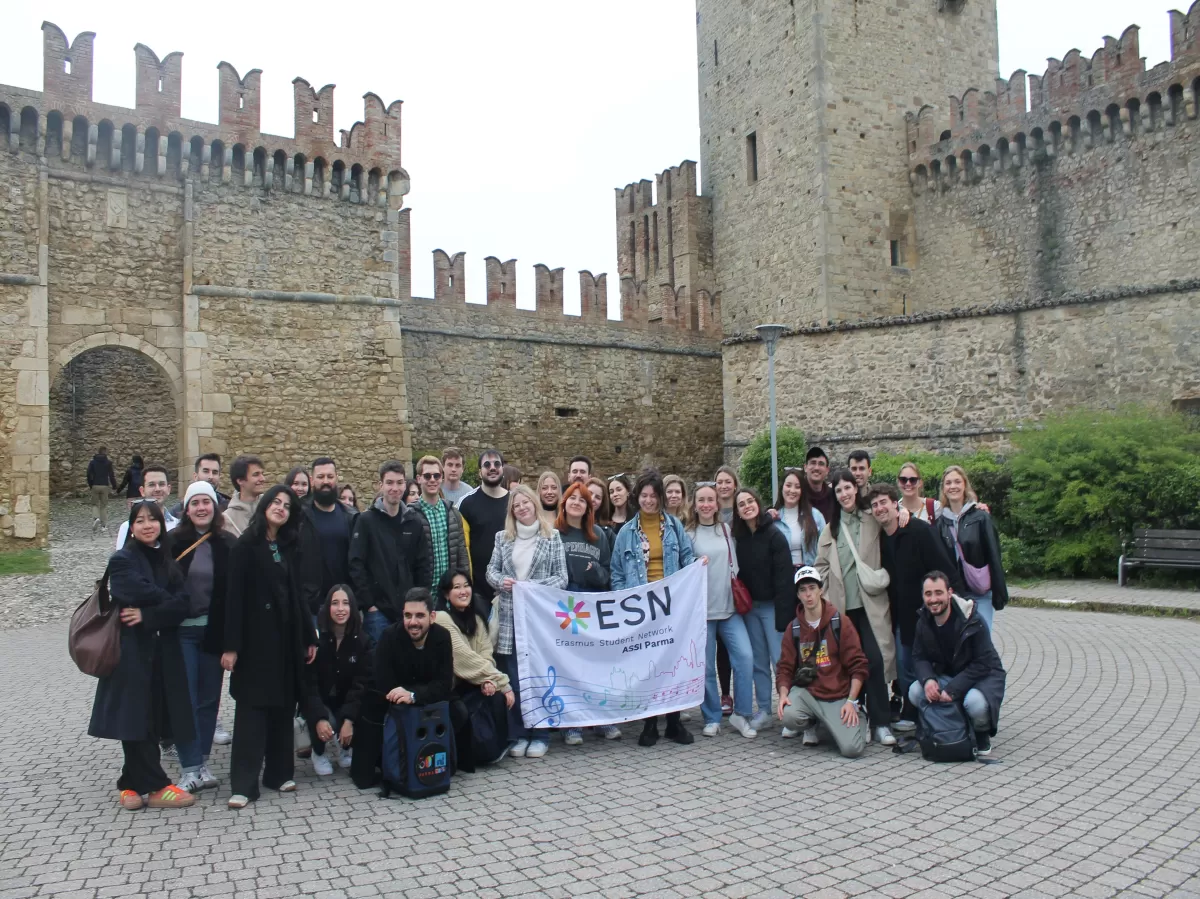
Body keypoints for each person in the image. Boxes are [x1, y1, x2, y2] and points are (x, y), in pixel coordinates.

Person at [222, 485, 331, 809]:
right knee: (252, 713)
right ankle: (244, 784)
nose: (281, 508)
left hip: (286, 641)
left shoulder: (286, 545)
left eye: (287, 505)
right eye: (276, 502)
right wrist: (231, 647)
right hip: (255, 643)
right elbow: (233, 599)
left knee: (283, 707)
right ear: (265, 505)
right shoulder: (245, 546)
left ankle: (278, 773)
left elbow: (296, 596)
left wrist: (308, 638)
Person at [88, 500, 196, 810]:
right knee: (137, 716)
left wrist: (150, 615)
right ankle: (157, 786)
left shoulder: (167, 559)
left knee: (152, 716)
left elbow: (184, 605)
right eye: (140, 521)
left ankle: (128, 784)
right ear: (131, 527)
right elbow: (131, 591)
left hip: (162, 651)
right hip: (131, 653)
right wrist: (166, 602)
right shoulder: (123, 559)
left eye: (153, 520)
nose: (148, 525)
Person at [868, 483, 964, 733]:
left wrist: (949, 603)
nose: (879, 508)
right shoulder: (879, 539)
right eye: (875, 504)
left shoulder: (919, 530)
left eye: (883, 503)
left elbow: (943, 567)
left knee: (924, 664)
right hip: (901, 615)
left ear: (894, 504)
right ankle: (915, 712)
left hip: (929, 612)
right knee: (904, 664)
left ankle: (933, 714)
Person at [611, 470, 697, 747]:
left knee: (672, 664)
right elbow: (616, 572)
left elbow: (686, 558)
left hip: (671, 604)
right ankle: (649, 723)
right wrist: (625, 600)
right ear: (638, 498)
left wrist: (697, 569)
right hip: (642, 608)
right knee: (647, 666)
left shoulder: (674, 527)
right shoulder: (626, 532)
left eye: (653, 496)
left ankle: (673, 723)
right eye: (644, 496)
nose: (649, 501)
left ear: (661, 498)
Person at [815, 468, 897, 746]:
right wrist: (826, 593)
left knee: (874, 660)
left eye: (848, 488)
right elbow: (820, 566)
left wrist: (904, 513)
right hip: (842, 608)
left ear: (856, 489)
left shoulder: (870, 519)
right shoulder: (831, 529)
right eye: (838, 490)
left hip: (869, 605)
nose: (844, 494)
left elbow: (893, 525)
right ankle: (849, 717)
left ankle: (882, 722)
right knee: (848, 664)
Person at [486, 485, 568, 758]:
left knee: (540, 678)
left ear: (534, 504)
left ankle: (541, 734)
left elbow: (561, 578)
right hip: (510, 618)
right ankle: (518, 734)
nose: (521, 508)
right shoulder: (502, 538)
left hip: (539, 619)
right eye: (516, 505)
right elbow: (490, 571)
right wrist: (501, 582)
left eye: (525, 503)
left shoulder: (552, 536)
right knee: (514, 679)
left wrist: (532, 586)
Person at [170, 482, 235, 794]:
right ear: (186, 509)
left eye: (206, 502)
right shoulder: (172, 542)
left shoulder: (226, 543)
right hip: (182, 632)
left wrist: (232, 642)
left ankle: (203, 763)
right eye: (194, 503)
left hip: (213, 631)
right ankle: (189, 767)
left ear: (214, 507)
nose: (201, 508)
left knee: (209, 700)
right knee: (187, 700)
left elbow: (236, 593)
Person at [776, 566, 870, 758]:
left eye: (812, 588)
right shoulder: (793, 628)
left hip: (838, 695)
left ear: (821, 590)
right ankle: (812, 724)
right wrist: (783, 694)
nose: (808, 594)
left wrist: (851, 700)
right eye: (802, 590)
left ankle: (861, 715)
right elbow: (784, 667)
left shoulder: (840, 622)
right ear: (798, 595)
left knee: (852, 750)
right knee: (788, 715)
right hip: (809, 693)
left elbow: (858, 665)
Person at [909, 572, 1006, 754]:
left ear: (949, 592)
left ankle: (980, 733)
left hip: (982, 678)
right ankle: (952, 726)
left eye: (939, 593)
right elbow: (918, 657)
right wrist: (928, 679)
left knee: (975, 704)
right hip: (949, 676)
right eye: (928, 594)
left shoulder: (973, 620)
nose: (933, 599)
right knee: (915, 691)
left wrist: (953, 689)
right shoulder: (923, 620)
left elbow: (983, 664)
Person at [687, 483, 755, 739]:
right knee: (705, 668)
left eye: (710, 500)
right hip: (702, 612)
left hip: (729, 609)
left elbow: (735, 564)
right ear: (694, 505)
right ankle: (712, 716)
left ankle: (742, 713)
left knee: (745, 658)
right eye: (701, 500)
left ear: (717, 504)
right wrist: (695, 563)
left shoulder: (726, 530)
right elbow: (683, 569)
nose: (706, 504)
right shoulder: (689, 534)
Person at [375, 588, 467, 771]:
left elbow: (444, 683)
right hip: (396, 698)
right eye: (408, 616)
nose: (413, 622)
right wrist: (405, 696)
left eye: (419, 616)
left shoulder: (442, 636)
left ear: (432, 617)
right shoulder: (389, 636)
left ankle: (449, 760)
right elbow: (383, 681)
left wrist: (415, 695)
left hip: (430, 696)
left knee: (460, 712)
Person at [555, 482, 617, 744]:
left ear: (589, 507)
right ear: (565, 503)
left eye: (583, 500)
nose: (577, 503)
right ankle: (573, 724)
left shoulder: (599, 536)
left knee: (595, 664)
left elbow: (607, 573)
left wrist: (595, 573)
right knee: (571, 665)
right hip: (565, 605)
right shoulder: (554, 533)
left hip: (591, 603)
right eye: (573, 498)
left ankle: (602, 720)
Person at [349, 461, 433, 646]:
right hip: (378, 613)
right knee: (380, 667)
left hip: (410, 612)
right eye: (389, 483)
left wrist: (420, 602)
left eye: (399, 482)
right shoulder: (366, 521)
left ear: (405, 485)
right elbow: (356, 564)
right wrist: (369, 604)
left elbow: (424, 566)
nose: (395, 488)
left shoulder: (414, 523)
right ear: (381, 485)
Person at [732, 487, 794, 732]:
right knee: (758, 662)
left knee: (780, 661)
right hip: (751, 608)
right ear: (737, 511)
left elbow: (784, 579)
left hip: (772, 608)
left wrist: (783, 616)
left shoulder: (774, 536)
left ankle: (788, 711)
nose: (747, 506)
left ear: (758, 503)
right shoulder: (740, 538)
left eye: (750, 501)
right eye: (741, 504)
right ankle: (766, 710)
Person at [437, 570, 512, 765]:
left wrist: (488, 680)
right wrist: (501, 681)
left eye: (466, 586)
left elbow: (485, 655)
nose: (463, 591)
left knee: (494, 695)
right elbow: (464, 658)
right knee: (495, 693)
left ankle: (489, 751)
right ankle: (470, 752)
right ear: (446, 594)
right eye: (456, 587)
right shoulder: (441, 619)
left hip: (470, 682)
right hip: (447, 688)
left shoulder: (477, 620)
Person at [934, 465, 1007, 631]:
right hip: (955, 593)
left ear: (964, 485)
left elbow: (994, 554)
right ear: (943, 489)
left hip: (980, 590)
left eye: (957, 482)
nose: (953, 486)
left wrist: (999, 592)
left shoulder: (980, 517)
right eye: (948, 483)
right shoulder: (941, 523)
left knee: (983, 637)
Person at [309, 585, 371, 776]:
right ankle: (318, 752)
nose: (340, 609)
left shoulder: (362, 641)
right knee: (326, 720)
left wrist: (349, 720)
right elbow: (308, 685)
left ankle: (346, 748)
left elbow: (361, 685)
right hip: (322, 701)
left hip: (346, 701)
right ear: (328, 607)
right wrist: (319, 716)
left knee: (359, 713)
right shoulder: (316, 639)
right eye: (335, 603)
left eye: (345, 603)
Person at [302, 458, 358, 619]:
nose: (325, 481)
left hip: (344, 606)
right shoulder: (299, 516)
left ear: (336, 478)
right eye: (320, 477)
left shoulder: (351, 517)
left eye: (329, 476)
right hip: (311, 606)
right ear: (312, 480)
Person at [412, 455, 469, 593]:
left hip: (450, 594)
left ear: (441, 478)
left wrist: (465, 586)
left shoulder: (453, 513)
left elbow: (462, 555)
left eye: (436, 476)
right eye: (427, 476)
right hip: (423, 594)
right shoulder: (410, 515)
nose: (432, 480)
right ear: (419, 479)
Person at [458, 449, 509, 602]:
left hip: (510, 586)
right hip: (477, 589)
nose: (492, 467)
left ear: (502, 469)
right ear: (480, 472)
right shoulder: (466, 503)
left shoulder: (515, 501)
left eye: (497, 464)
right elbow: (459, 545)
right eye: (487, 465)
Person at [114, 464, 179, 549]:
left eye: (161, 484)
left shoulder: (178, 525)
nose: (157, 489)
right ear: (142, 491)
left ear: (169, 489)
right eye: (152, 485)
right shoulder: (127, 527)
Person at [774, 468, 826, 569]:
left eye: (797, 487)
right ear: (782, 487)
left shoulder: (816, 516)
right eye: (788, 485)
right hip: (784, 577)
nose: (792, 490)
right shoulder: (774, 519)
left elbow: (826, 549)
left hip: (810, 577)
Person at [167, 453, 230, 520]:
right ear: (195, 476)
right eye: (206, 471)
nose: (211, 477)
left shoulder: (228, 508)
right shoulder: (177, 511)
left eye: (215, 472)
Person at [224, 454, 266, 538]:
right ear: (240, 481)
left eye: (262, 473)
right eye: (256, 474)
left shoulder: (270, 508)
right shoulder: (227, 519)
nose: (262, 479)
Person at [87, 446, 118, 533]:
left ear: (98, 451)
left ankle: (96, 518)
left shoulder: (92, 462)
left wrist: (91, 484)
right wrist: (115, 486)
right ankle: (103, 526)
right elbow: (111, 475)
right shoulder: (108, 463)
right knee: (103, 506)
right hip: (104, 485)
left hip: (95, 484)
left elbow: (89, 474)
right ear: (105, 452)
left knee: (95, 504)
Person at [801, 447, 835, 523]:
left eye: (821, 464)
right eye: (813, 463)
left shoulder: (833, 496)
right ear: (805, 467)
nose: (816, 468)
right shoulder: (797, 494)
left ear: (827, 470)